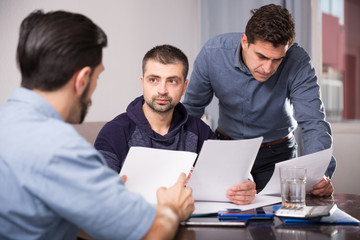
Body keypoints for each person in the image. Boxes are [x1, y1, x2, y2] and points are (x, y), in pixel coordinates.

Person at [0, 10, 194, 240]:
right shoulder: (63, 149)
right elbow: (152, 235)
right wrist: (172, 209)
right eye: (97, 77)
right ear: (82, 80)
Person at [182, 4, 336, 196]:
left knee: (280, 221)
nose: (267, 68)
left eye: (277, 59)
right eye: (261, 56)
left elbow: (313, 122)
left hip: (277, 155)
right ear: (245, 41)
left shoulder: (298, 62)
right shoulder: (213, 53)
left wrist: (320, 174)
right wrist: (184, 163)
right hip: (227, 151)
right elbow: (190, 111)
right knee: (223, 218)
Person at [95, 44, 257, 205]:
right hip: (136, 223)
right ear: (143, 82)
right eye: (154, 80)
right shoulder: (114, 132)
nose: (162, 90)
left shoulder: (199, 130)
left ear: (184, 86)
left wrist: (243, 188)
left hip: (192, 223)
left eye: (172, 81)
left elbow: (227, 175)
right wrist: (107, 192)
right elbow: (96, 192)